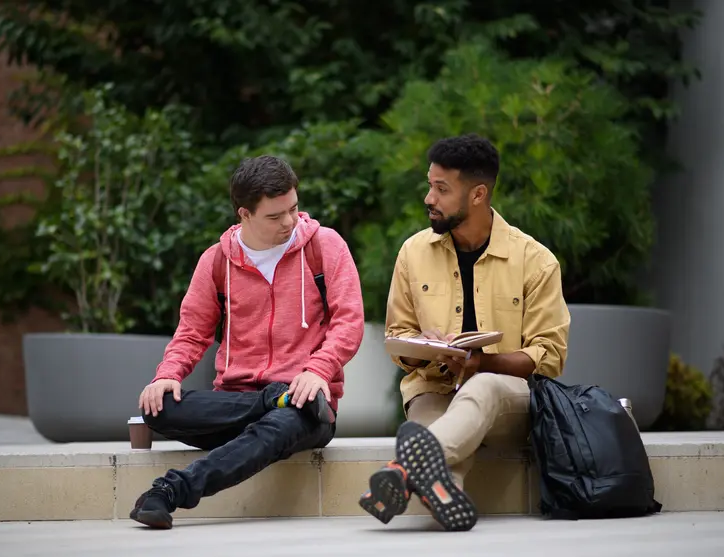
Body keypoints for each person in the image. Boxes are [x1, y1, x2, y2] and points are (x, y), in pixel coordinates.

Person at [131, 155, 365, 529]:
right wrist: (167, 375)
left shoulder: (324, 246)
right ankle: (270, 399)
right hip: (235, 401)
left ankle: (172, 491)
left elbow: (349, 322)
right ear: (244, 214)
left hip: (304, 405)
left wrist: (318, 370)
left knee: (286, 419)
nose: (289, 222)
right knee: (157, 408)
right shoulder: (216, 261)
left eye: (293, 209)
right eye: (275, 216)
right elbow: (192, 331)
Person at [358, 134, 570, 532]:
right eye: (429, 184)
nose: (429, 198)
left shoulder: (535, 261)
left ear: (477, 195)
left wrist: (482, 363)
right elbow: (398, 334)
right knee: (426, 428)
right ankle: (445, 490)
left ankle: (403, 471)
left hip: (508, 399)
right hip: (434, 387)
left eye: (442, 189)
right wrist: (428, 350)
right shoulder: (413, 253)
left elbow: (549, 356)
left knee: (482, 387)